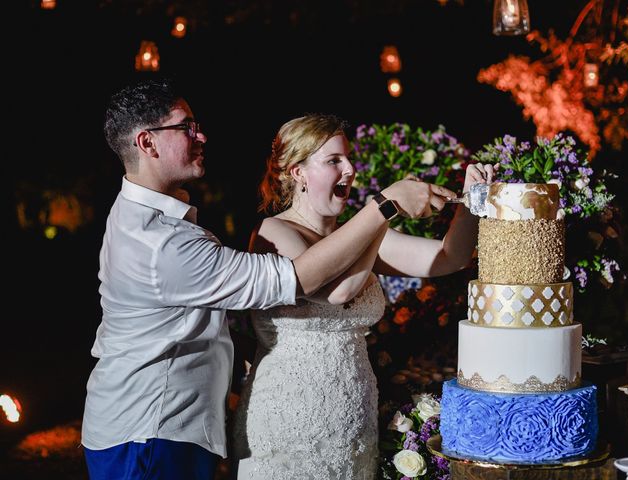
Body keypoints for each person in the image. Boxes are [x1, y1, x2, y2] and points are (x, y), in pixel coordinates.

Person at [80, 79, 441, 480]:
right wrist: (383, 207)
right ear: (147, 143)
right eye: (186, 127)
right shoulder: (160, 243)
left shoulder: (146, 219)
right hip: (151, 430)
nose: (201, 135)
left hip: (164, 424)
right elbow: (295, 278)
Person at [232, 114, 496, 480]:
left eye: (348, 158)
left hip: (353, 413)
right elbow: (337, 292)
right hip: (287, 417)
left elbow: (450, 258)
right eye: (333, 161)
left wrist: (471, 199)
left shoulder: (363, 233)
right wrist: (385, 208)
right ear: (297, 173)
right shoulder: (274, 231)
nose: (350, 169)